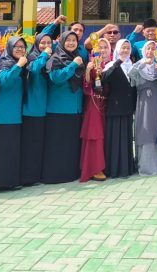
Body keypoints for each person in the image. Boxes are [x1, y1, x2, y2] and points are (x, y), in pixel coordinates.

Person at [42, 31, 85, 184]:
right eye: (68, 40)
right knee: (57, 144)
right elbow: (56, 78)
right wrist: (73, 65)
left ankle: (70, 173)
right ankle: (55, 175)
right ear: (61, 42)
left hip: (75, 109)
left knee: (70, 144)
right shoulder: (55, 58)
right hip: (58, 109)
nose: (71, 43)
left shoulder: (77, 57)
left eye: (74, 40)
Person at [0, 36, 28, 190]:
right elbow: (4, 81)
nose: (19, 49)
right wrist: (18, 66)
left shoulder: (18, 63)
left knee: (12, 149)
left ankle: (11, 181)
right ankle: (3, 182)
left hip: (15, 114)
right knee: (4, 149)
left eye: (22, 47)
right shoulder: (5, 63)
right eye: (16, 46)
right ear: (9, 48)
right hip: (4, 114)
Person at [128, 40, 157, 175]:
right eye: (148, 49)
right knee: (144, 129)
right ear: (144, 51)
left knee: (156, 129)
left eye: (153, 49)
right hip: (143, 102)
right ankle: (145, 165)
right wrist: (142, 64)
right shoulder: (139, 65)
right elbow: (131, 75)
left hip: (155, 101)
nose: (151, 51)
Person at [101, 39, 137, 178]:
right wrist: (118, 62)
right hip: (115, 108)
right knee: (115, 139)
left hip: (127, 108)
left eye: (127, 48)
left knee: (126, 139)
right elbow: (104, 78)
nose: (125, 51)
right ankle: (114, 169)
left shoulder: (132, 65)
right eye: (123, 48)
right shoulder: (112, 64)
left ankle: (126, 168)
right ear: (117, 49)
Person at [20, 33, 52, 186]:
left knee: (38, 144)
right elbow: (33, 69)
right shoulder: (32, 57)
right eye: (42, 43)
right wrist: (44, 54)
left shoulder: (50, 58)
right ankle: (27, 177)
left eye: (49, 43)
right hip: (31, 109)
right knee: (30, 145)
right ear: (36, 44)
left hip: (43, 109)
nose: (46, 46)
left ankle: (36, 175)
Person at [79, 36, 111, 183]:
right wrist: (88, 70)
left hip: (108, 104)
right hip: (94, 103)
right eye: (100, 47)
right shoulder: (92, 63)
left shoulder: (111, 63)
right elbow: (86, 86)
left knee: (106, 135)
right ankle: (94, 168)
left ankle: (105, 166)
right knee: (95, 135)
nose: (102, 50)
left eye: (105, 47)